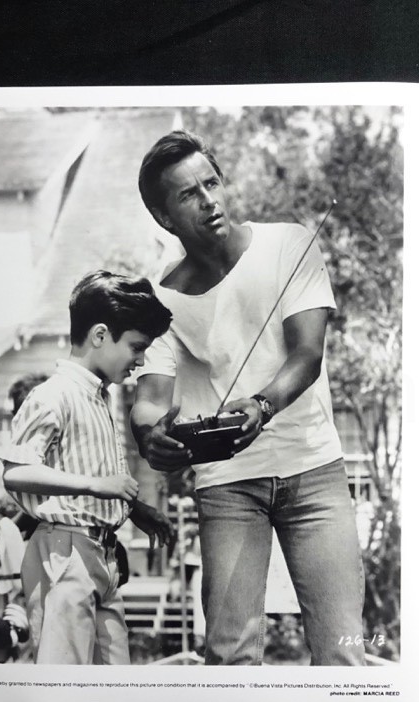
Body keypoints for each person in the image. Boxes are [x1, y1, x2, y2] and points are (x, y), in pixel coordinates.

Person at [131, 131, 366, 666]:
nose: (209, 199)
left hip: (315, 468)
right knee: (229, 655)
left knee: (344, 650)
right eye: (188, 194)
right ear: (163, 217)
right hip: (228, 486)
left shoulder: (290, 243)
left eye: (211, 182)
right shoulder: (159, 299)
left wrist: (261, 406)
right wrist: (150, 436)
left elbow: (307, 356)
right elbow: (150, 399)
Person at [0, 270, 175, 665]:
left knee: (114, 683)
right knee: (67, 685)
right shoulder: (53, 394)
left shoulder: (99, 398)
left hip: (102, 555)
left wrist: (135, 509)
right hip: (64, 553)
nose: (141, 360)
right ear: (100, 336)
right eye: (136, 347)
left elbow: (93, 476)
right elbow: (15, 472)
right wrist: (97, 485)